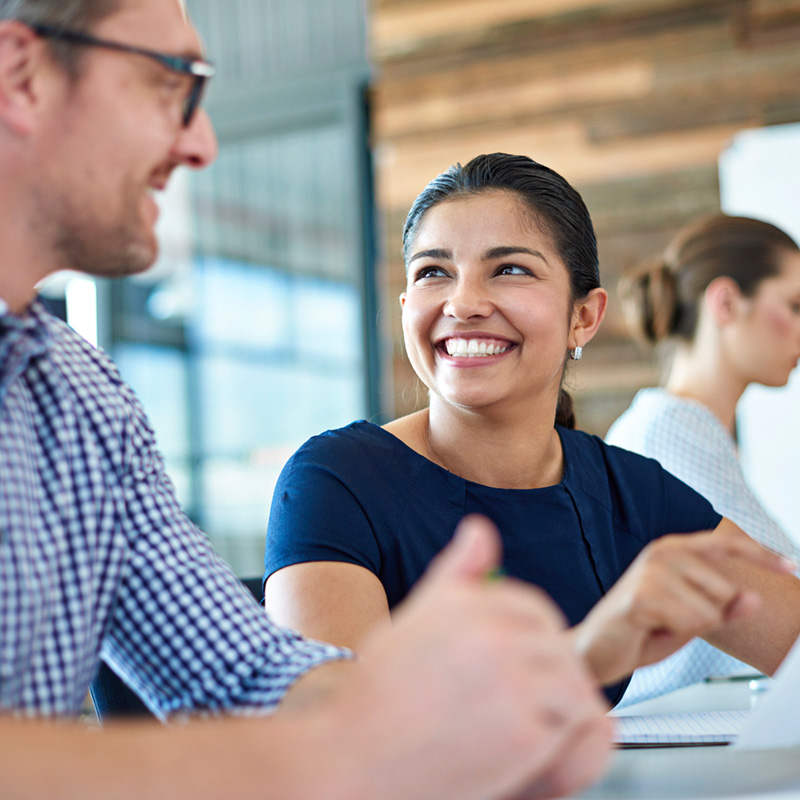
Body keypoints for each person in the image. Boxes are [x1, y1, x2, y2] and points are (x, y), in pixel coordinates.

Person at [0, 3, 616, 798]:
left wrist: (426, 709)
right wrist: (332, 751)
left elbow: (240, 673)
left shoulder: (78, 401)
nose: (201, 142)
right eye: (168, 85)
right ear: (22, 77)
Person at [264, 152, 800, 707]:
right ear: (405, 308)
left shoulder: (630, 492)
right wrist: (585, 654)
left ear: (584, 317)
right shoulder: (335, 482)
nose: (464, 302)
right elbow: (331, 737)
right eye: (433, 272)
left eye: (509, 269)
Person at [606, 213, 800, 705]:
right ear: (727, 302)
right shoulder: (669, 431)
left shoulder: (699, 432)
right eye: (795, 305)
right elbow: (778, 597)